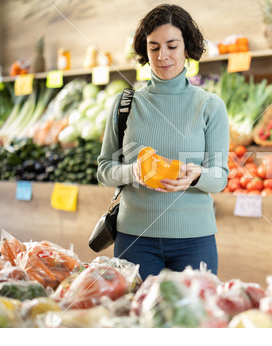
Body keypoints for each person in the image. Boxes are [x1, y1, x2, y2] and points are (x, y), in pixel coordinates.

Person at [97, 4, 229, 281]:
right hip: (135, 239)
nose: (163, 56)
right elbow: (104, 170)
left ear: (187, 48)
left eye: (172, 45)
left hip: (195, 240)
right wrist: (132, 172)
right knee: (137, 320)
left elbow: (219, 178)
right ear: (144, 51)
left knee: (193, 320)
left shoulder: (210, 106)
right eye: (154, 47)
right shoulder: (126, 104)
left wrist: (195, 175)